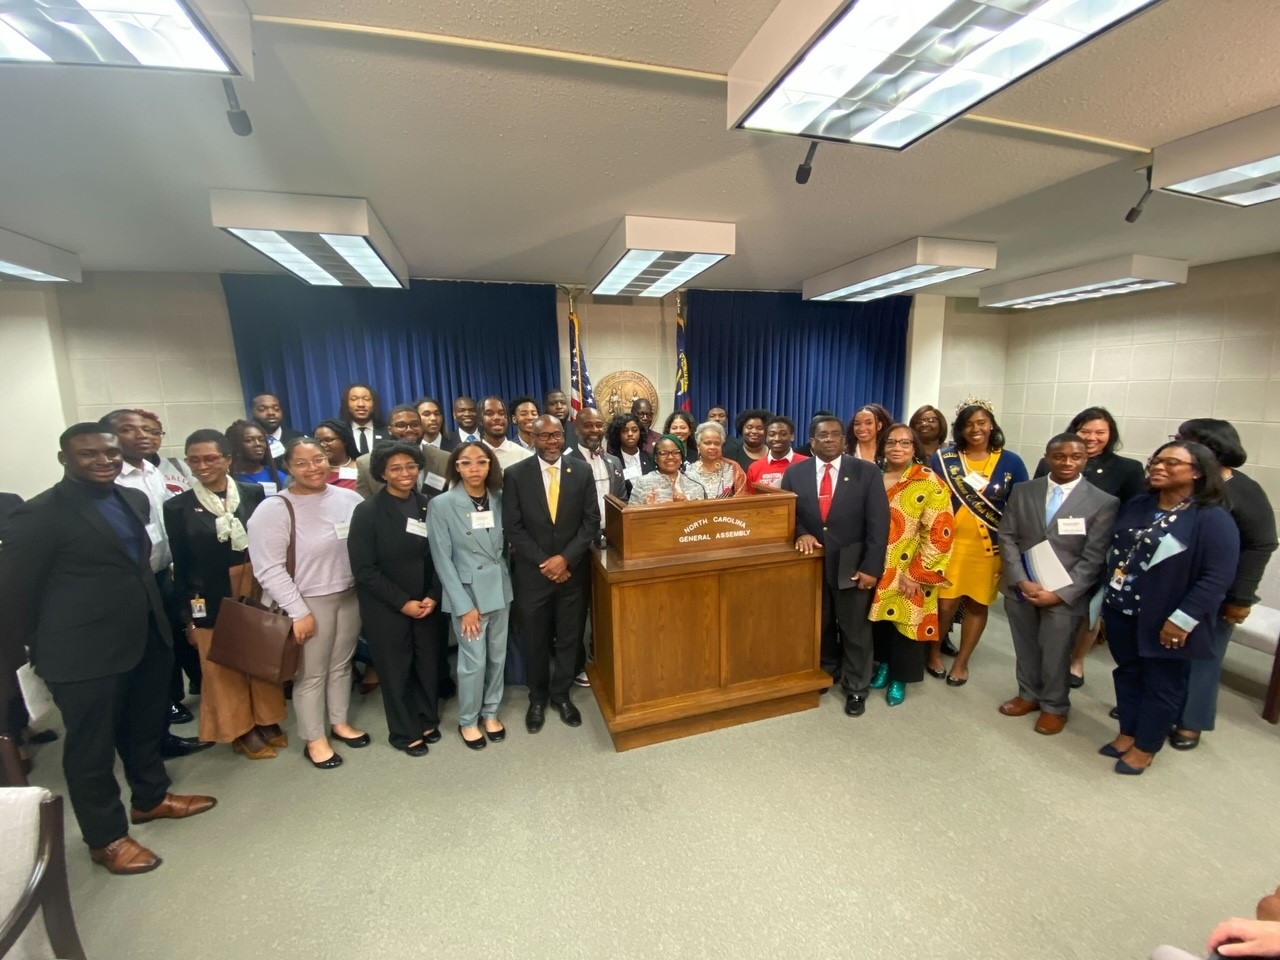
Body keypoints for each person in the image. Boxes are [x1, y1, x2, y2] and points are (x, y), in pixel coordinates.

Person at [0, 424, 216, 874]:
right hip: (81, 651)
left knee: (144, 726)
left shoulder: (131, 499)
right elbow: (15, 592)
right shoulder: (38, 514)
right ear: (64, 459)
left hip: (144, 636)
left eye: (111, 453)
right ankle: (106, 838)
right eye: (89, 454)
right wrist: (26, 654)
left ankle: (150, 798)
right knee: (91, 748)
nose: (104, 461)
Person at [1099, 440, 1238, 775]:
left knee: (1162, 683)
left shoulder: (1211, 517)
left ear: (1197, 472)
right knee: (1128, 672)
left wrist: (1183, 620)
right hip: (1121, 607)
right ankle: (1128, 731)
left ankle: (1146, 746)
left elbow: (1216, 578)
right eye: (1156, 461)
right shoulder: (1139, 504)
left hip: (1167, 618)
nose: (1159, 467)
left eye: (1171, 463)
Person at [247, 438, 368, 770]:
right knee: (311, 674)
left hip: (349, 595)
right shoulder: (274, 509)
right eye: (301, 463)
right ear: (288, 467)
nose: (313, 468)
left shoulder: (349, 499)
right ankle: (314, 738)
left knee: (342, 664)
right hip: (307, 600)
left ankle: (340, 722)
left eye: (318, 459)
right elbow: (268, 568)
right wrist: (298, 611)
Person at [164, 429, 285, 759]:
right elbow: (181, 565)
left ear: (227, 459)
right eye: (194, 460)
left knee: (259, 656)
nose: (202, 466)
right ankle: (240, 728)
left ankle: (266, 718)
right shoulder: (177, 506)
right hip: (208, 593)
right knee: (221, 664)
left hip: (253, 583)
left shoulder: (253, 492)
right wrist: (189, 618)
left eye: (210, 458)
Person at [101, 409, 209, 757]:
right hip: (130, 584)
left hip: (164, 574)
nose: (142, 435)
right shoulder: (110, 480)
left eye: (147, 430)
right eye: (129, 430)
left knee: (168, 649)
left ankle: (164, 726)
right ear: (110, 438)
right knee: (143, 659)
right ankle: (148, 736)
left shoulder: (152, 472)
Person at [996, 434, 1118, 735]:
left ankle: (1054, 706)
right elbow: (1007, 536)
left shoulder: (1103, 502)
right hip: (1022, 586)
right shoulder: (1024, 491)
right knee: (1025, 646)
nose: (1067, 462)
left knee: (1056, 651)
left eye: (1076, 457)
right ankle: (1028, 695)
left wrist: (1061, 593)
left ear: (1085, 459)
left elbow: (1094, 557)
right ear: (1047, 457)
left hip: (1065, 593)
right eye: (1059, 456)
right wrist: (1021, 579)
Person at [1171, 418, 1278, 750]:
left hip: (1214, 590)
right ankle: (1157, 705)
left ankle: (1191, 721)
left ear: (1211, 448)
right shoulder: (1179, 480)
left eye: (1184, 440)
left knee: (1203, 656)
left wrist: (1241, 597)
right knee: (1159, 652)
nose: (1177, 445)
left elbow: (1261, 544)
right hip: (1168, 583)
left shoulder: (1243, 490)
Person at [782, 416, 889, 716]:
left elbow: (879, 524)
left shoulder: (867, 472)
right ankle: (827, 670)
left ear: (844, 440)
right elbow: (788, 515)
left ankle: (856, 687)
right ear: (812, 441)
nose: (829, 439)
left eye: (835, 434)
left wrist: (871, 568)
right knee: (822, 624)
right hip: (812, 564)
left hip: (853, 564)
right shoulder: (795, 473)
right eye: (822, 435)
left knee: (856, 630)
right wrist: (801, 532)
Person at [1033, 407, 1147, 688]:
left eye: (1100, 432)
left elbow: (1135, 513)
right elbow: (1035, 500)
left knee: (1088, 609)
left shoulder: (1127, 469)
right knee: (1048, 604)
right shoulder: (1049, 462)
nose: (1092, 437)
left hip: (1097, 550)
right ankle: (1045, 659)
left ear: (1110, 435)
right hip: (1052, 547)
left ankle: (1076, 660)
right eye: (1085, 431)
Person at [502, 416, 600, 732]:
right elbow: (513, 528)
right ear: (532, 438)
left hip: (572, 573)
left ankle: (561, 695)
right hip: (534, 574)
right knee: (536, 639)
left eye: (556, 435)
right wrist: (547, 562)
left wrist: (565, 560)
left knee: (570, 637)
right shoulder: (515, 474)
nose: (551, 441)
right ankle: (538, 698)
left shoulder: (581, 471)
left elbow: (590, 521)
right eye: (543, 436)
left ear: (563, 436)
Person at [347, 442, 446, 757]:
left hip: (427, 602)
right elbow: (364, 569)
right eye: (396, 468)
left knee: (427, 663)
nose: (405, 473)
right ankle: (404, 732)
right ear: (382, 473)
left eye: (411, 466)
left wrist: (433, 595)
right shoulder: (368, 512)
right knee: (396, 669)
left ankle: (427, 718)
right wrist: (403, 603)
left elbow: (441, 555)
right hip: (387, 606)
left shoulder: (428, 504)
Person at [929, 400, 1028, 684]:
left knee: (977, 604)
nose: (976, 429)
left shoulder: (1012, 462)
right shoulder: (944, 458)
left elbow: (1020, 507)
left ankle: (962, 662)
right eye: (969, 424)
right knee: (944, 605)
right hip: (949, 547)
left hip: (989, 549)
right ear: (960, 429)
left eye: (982, 422)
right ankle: (933, 652)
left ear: (992, 425)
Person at [429, 442, 513, 749]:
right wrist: (464, 606)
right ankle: (468, 719)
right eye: (466, 463)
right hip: (468, 594)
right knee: (473, 662)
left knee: (498, 657)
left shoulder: (500, 498)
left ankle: (490, 712)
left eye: (481, 462)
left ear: (490, 465)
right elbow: (442, 559)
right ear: (456, 467)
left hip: (500, 588)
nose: (474, 468)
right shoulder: (442, 504)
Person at [869, 424, 954, 706]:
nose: (898, 448)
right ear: (882, 446)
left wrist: (917, 573)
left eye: (905, 443)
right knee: (881, 621)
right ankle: (884, 665)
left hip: (910, 567)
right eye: (891, 442)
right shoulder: (874, 476)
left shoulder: (928, 480)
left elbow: (940, 532)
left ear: (914, 448)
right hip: (878, 564)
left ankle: (900, 678)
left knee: (906, 623)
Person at [566, 407, 624, 687]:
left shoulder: (613, 460)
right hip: (579, 542)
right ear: (577, 429)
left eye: (598, 425)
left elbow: (620, 499)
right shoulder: (567, 460)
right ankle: (578, 665)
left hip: (609, 541)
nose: (594, 431)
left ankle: (600, 655)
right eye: (587, 426)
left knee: (605, 604)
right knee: (579, 607)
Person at [628, 436, 708, 504]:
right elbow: (631, 515)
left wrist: (686, 504)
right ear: (655, 458)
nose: (670, 457)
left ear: (681, 456)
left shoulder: (694, 480)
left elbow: (704, 513)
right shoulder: (643, 483)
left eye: (676, 452)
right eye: (664, 453)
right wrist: (650, 510)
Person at [685, 421, 747, 499]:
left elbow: (743, 498)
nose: (713, 447)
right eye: (707, 443)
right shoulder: (688, 471)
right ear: (698, 446)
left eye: (717, 443)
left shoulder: (732, 468)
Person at [745, 415, 806, 491]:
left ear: (792, 436)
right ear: (766, 437)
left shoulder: (806, 463)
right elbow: (750, 496)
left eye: (783, 434)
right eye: (772, 434)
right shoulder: (754, 468)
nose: (777, 439)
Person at [227, 419, 285, 494]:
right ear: (235, 445)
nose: (258, 444)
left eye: (261, 440)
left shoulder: (280, 477)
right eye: (249, 440)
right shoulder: (226, 479)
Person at [480, 395, 534, 472]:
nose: (497, 417)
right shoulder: (471, 455)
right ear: (480, 420)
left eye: (501, 413)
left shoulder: (525, 456)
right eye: (489, 414)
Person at [607, 412, 654, 496]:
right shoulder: (612, 461)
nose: (630, 434)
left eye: (634, 430)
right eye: (624, 431)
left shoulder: (650, 458)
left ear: (640, 432)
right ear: (618, 434)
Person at [251, 393, 303, 463]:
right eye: (262, 409)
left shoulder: (299, 439)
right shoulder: (244, 442)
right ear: (252, 412)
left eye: (276, 409)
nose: (271, 413)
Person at [313, 419, 362, 493]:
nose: (322, 445)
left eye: (328, 440)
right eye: (318, 441)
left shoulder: (362, 467)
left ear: (344, 440)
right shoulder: (313, 470)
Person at [340, 383, 385, 455]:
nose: (361, 404)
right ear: (346, 404)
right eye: (354, 399)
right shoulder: (340, 433)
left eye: (366, 399)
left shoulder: (388, 431)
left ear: (374, 403)